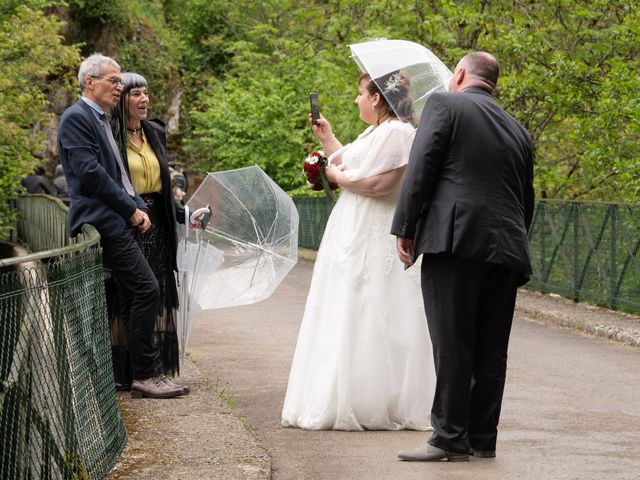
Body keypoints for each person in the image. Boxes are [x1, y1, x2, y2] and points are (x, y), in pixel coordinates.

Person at [392, 52, 535, 461]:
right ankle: (481, 439)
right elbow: (526, 200)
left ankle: (448, 438)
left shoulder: (444, 104)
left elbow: (422, 168)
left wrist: (406, 227)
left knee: (453, 341)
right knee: (491, 348)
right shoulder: (519, 130)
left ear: (459, 74)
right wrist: (513, 240)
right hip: (507, 248)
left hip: (455, 240)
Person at [281, 71, 436, 431]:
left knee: (374, 308)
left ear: (377, 98)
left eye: (360, 94)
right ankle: (342, 391)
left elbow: (379, 184)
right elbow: (354, 163)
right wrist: (329, 141)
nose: (356, 100)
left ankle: (373, 399)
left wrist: (333, 177)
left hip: (375, 229)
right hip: (353, 228)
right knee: (347, 307)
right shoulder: (376, 131)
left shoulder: (398, 132)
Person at [57, 53, 183, 399]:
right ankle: (147, 373)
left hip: (121, 218)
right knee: (147, 290)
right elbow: (91, 174)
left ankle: (137, 374)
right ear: (90, 83)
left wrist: (138, 207)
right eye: (114, 81)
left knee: (133, 296)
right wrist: (130, 210)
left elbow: (120, 175)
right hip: (105, 221)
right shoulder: (77, 118)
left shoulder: (99, 118)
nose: (119, 86)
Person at [107, 72, 188, 393]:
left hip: (158, 221)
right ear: (121, 99)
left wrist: (184, 214)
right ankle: (132, 372)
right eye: (135, 94)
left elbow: (164, 185)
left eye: (145, 93)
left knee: (154, 295)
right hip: (130, 219)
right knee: (133, 296)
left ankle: (152, 370)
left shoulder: (154, 131)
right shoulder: (111, 137)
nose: (143, 99)